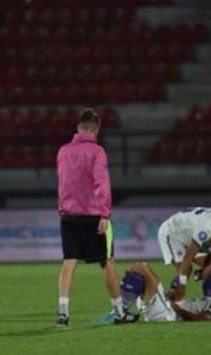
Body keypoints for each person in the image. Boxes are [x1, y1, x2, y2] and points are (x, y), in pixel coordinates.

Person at [55, 108, 136, 326]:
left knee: (69, 262)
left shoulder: (62, 151)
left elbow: (64, 183)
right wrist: (104, 214)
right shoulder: (97, 152)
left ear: (78, 128)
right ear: (96, 129)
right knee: (107, 262)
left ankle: (63, 311)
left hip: (69, 216)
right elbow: (102, 184)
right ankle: (119, 311)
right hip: (93, 216)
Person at [120, 262, 211, 322]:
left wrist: (176, 308)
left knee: (143, 268)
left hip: (166, 314)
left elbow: (199, 319)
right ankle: (121, 312)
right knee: (139, 276)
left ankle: (119, 312)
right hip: (165, 309)